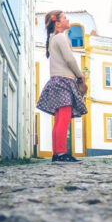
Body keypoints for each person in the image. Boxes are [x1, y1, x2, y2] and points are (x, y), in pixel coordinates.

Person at [36, 10, 87, 162]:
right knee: (63, 119)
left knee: (59, 119)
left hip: (57, 82)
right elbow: (70, 59)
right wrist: (80, 75)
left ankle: (57, 152)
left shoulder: (53, 39)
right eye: (64, 18)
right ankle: (61, 153)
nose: (67, 19)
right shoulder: (60, 37)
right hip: (64, 82)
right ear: (57, 23)